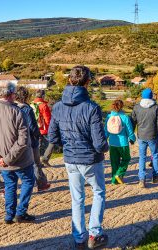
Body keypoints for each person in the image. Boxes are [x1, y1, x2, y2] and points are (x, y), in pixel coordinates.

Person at [48, 66, 109, 250]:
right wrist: (105, 148)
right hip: (90, 159)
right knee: (98, 193)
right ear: (87, 82)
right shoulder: (92, 108)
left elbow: (52, 137)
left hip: (70, 158)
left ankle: (79, 239)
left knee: (77, 199)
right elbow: (99, 143)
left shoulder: (58, 106)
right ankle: (95, 234)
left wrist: (67, 144)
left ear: (69, 80)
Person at [0, 82, 35, 224]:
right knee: (28, 181)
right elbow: (23, 140)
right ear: (11, 95)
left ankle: (9, 215)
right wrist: (8, 159)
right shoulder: (18, 112)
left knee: (10, 185)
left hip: (1, 162)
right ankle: (21, 213)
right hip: (20, 160)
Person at [15, 86, 51, 192]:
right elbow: (32, 126)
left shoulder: (11, 107)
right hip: (30, 140)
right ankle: (41, 184)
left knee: (14, 165)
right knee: (36, 163)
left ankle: (8, 189)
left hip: (15, 140)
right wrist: (37, 135)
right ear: (26, 96)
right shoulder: (26, 108)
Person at [131, 88, 158, 188]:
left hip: (141, 136)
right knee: (155, 155)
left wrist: (131, 134)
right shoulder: (156, 108)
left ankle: (142, 179)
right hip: (152, 136)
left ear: (142, 95)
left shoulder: (137, 107)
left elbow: (132, 121)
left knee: (142, 157)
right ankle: (155, 176)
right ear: (151, 96)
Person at [104, 100, 136, 185]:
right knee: (126, 159)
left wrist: (104, 139)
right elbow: (130, 130)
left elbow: (106, 131)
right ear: (121, 106)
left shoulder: (108, 116)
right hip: (123, 143)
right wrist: (132, 139)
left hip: (112, 143)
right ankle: (119, 174)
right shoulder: (125, 117)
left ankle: (114, 181)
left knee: (114, 162)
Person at [31, 89, 54, 167]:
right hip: (44, 129)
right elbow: (48, 119)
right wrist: (51, 128)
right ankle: (45, 158)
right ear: (43, 96)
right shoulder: (43, 105)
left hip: (34, 128)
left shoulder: (32, 104)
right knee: (52, 142)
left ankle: (36, 162)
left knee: (38, 145)